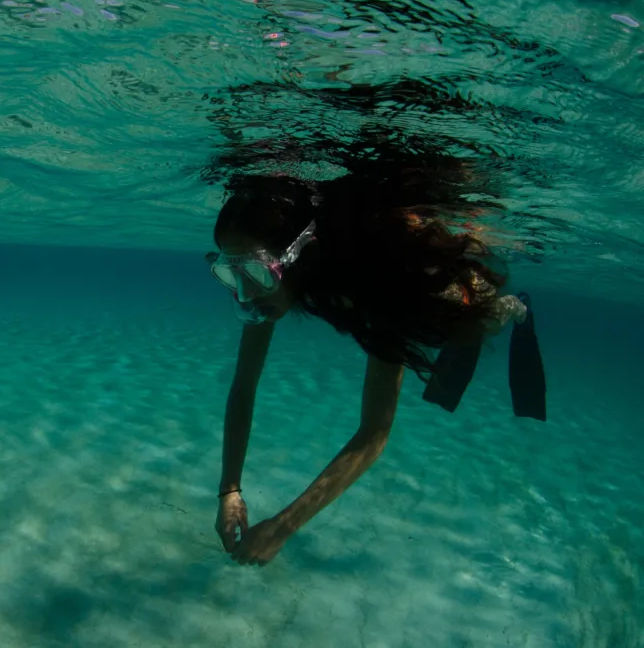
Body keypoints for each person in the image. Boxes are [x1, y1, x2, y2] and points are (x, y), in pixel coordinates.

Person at [205, 141, 546, 567]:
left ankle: (516, 309)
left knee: (469, 323)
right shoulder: (273, 284)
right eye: (229, 272)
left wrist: (284, 525)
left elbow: (374, 432)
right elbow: (244, 385)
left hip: (436, 291)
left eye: (252, 271)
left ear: (295, 257)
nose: (245, 292)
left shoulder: (377, 285)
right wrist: (229, 489)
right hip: (344, 283)